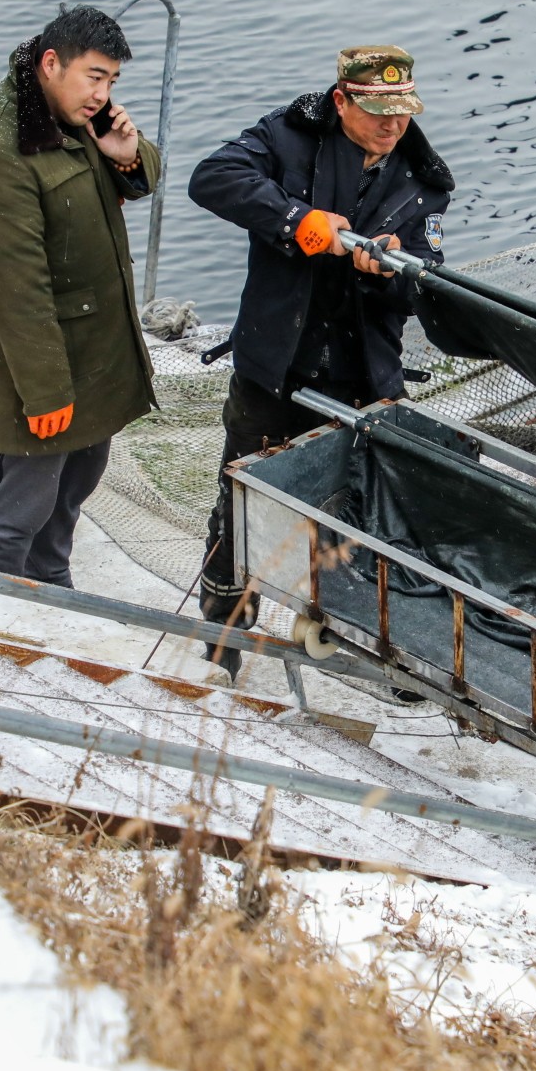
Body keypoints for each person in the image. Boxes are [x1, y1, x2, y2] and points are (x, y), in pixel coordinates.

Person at [188, 45, 453, 671]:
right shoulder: (286, 136)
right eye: (376, 112)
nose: (393, 127)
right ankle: (222, 643)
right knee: (240, 511)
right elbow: (212, 179)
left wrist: (390, 268)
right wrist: (297, 221)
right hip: (274, 370)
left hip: (363, 378)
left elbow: (425, 282)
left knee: (370, 519)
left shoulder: (423, 178)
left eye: (403, 113)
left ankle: (361, 644)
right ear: (341, 101)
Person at [0, 5, 160, 587]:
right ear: (51, 63)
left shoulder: (74, 115)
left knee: (74, 489)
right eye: (94, 76)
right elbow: (15, 289)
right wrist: (44, 394)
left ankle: (50, 584)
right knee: (19, 507)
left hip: (95, 352)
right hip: (41, 365)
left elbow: (142, 172)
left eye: (112, 81)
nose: (102, 93)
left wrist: (129, 158)